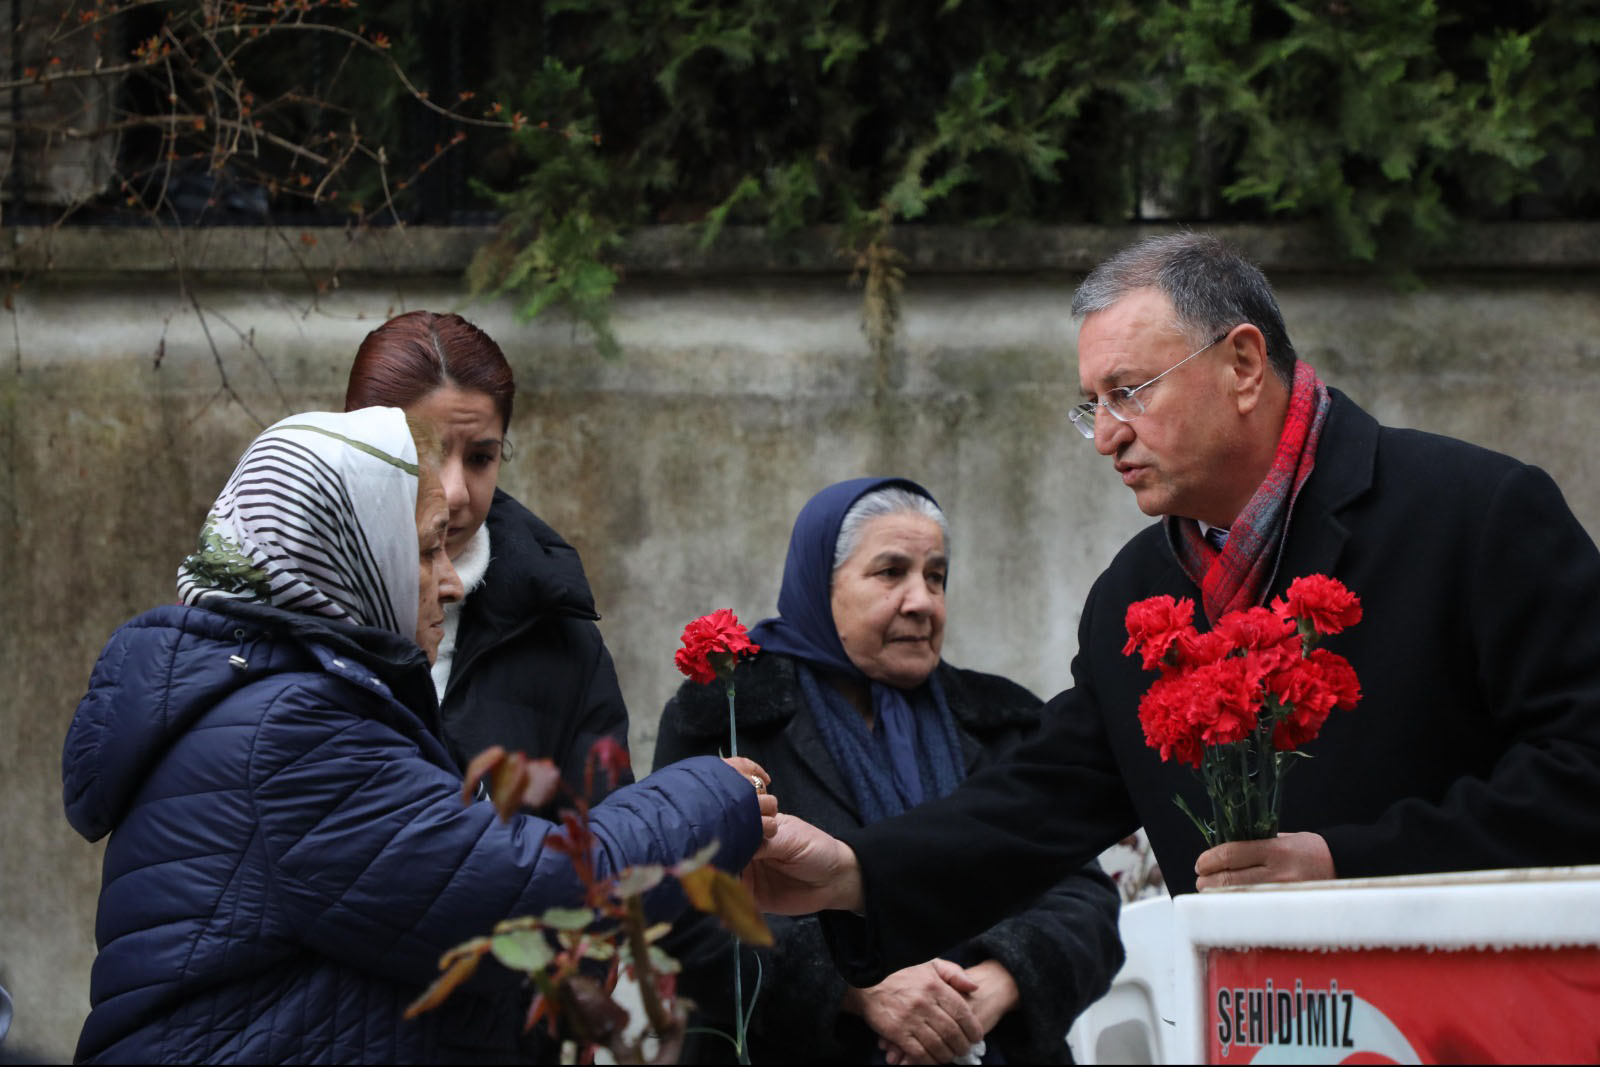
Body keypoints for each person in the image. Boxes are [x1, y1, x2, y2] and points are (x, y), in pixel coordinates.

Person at [743, 231, 1600, 985]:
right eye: (1092, 405)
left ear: (1243, 363)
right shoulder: (1136, 595)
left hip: (1480, 1014)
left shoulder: (1475, 512)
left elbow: (1584, 768)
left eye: (1131, 391)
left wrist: (1350, 865)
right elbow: (1044, 798)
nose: (1108, 433)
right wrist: (852, 870)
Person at [61, 408, 773, 1064]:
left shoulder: (264, 700)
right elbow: (525, 893)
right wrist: (715, 795)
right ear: (348, 551)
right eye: (429, 548)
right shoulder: (287, 729)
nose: (451, 581)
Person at [655, 477, 1123, 1065]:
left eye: (936, 577)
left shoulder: (1002, 722)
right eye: (890, 572)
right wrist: (853, 984)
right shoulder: (729, 718)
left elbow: (1085, 899)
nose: (921, 600)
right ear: (817, 584)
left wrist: (995, 985)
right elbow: (683, 909)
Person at [344, 311, 631, 813]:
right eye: (423, 452)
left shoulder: (558, 631)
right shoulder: (276, 611)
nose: (454, 493)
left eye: (480, 458)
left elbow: (605, 849)